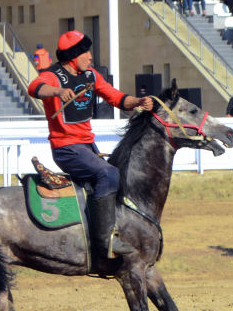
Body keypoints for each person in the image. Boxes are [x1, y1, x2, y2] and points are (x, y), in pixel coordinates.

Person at [27, 30, 153, 259]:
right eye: (85, 52)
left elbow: (116, 97)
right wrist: (58, 91)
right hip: (66, 149)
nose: (90, 57)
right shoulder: (53, 76)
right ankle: (104, 243)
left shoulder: (92, 75)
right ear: (72, 57)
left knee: (118, 176)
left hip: (87, 147)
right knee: (109, 174)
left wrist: (138, 101)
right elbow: (34, 88)